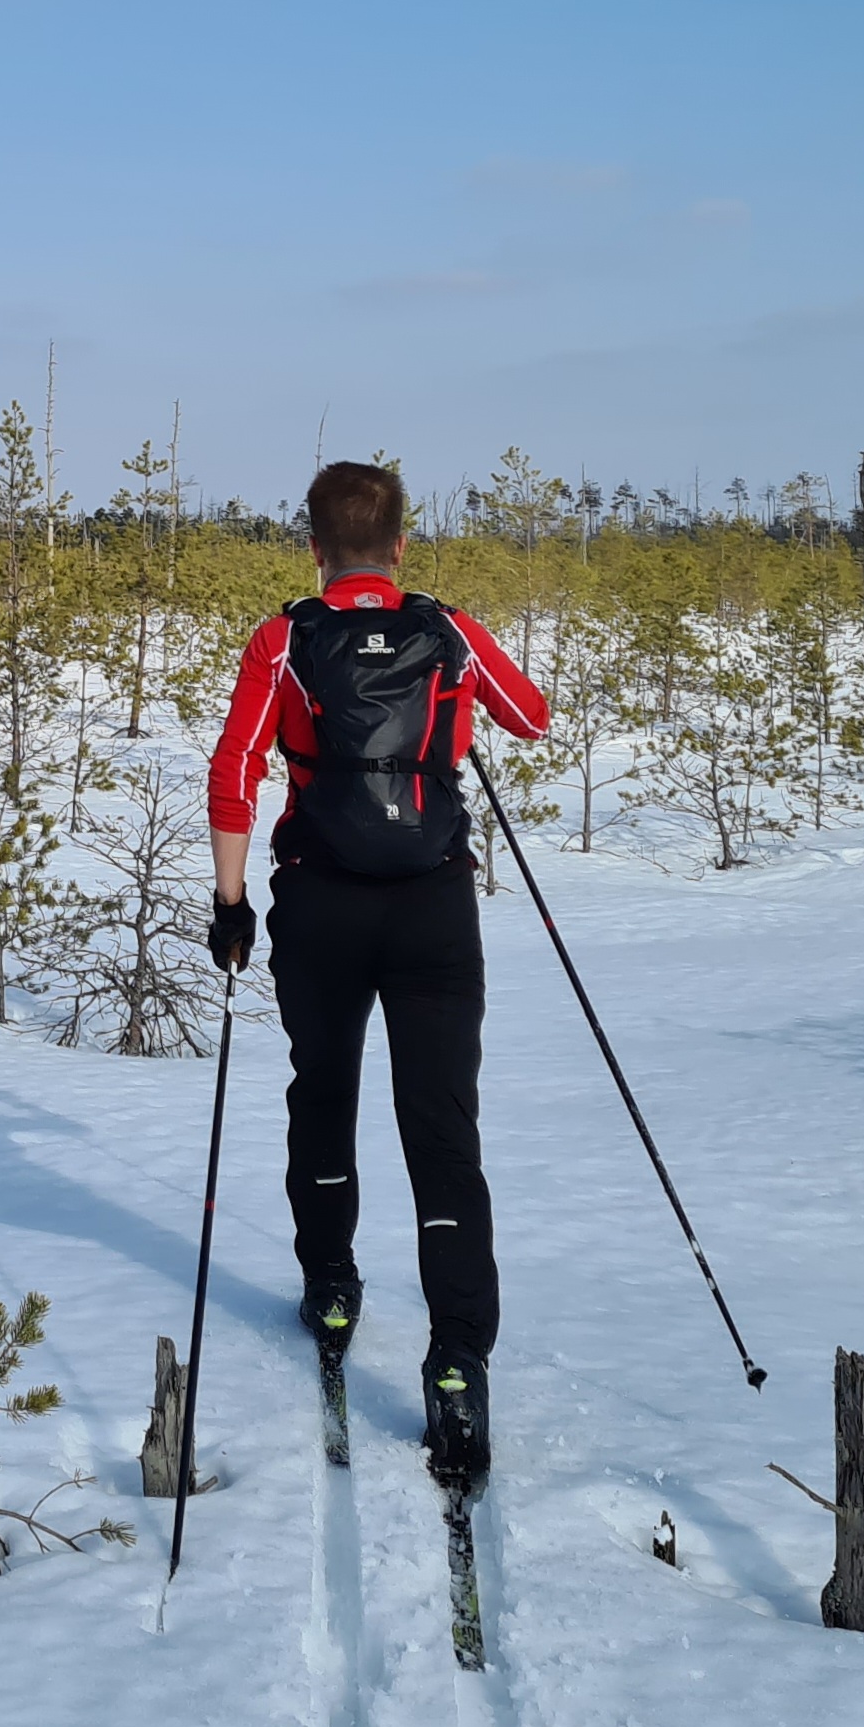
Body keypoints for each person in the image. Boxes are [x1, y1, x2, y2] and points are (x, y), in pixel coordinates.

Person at [204, 459, 548, 1490]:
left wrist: (232, 904)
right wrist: (455, 697)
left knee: (325, 1092)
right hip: (433, 903)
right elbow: (531, 715)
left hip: (320, 899)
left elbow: (233, 770)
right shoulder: (449, 630)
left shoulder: (284, 639)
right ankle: (458, 1361)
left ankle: (332, 1286)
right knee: (442, 1125)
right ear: (401, 545)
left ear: (313, 547)